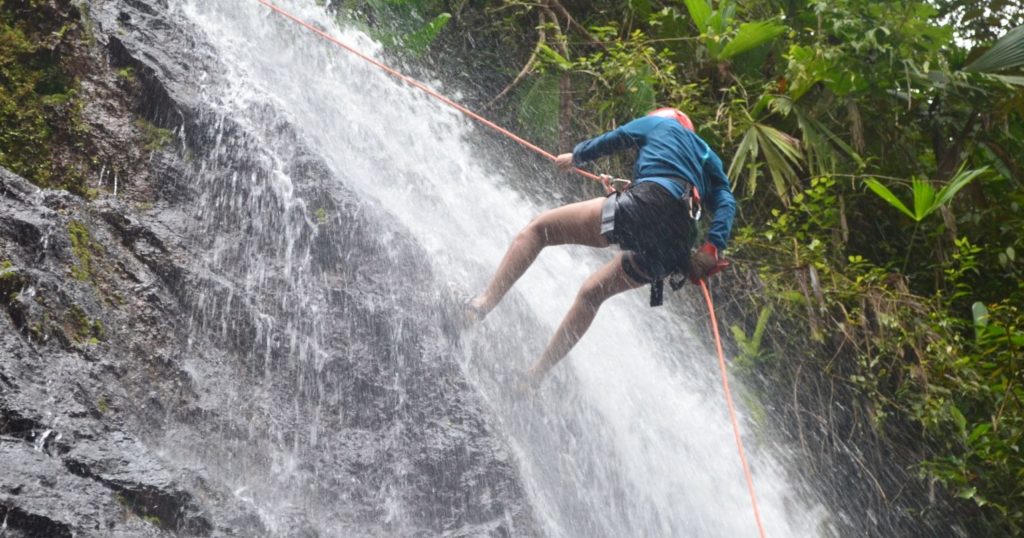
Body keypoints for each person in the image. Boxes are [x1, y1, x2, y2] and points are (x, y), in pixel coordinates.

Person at [467, 108, 736, 387]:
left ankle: (480, 305)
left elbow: (618, 137)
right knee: (592, 294)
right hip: (676, 244)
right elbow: (725, 201)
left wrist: (576, 157)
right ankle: (534, 377)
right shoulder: (707, 157)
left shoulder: (659, 125)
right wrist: (712, 248)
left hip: (648, 202)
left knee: (538, 231)